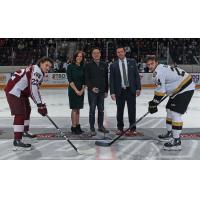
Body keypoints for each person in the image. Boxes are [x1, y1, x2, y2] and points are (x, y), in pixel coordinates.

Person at [146, 55, 195, 151]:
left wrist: (154, 103)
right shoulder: (161, 68)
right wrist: (154, 102)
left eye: (152, 64)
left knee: (175, 113)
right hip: (177, 90)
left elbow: (160, 91)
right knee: (169, 109)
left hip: (185, 89)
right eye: (148, 64)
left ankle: (177, 141)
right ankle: (170, 133)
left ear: (156, 62)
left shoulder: (158, 72)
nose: (150, 66)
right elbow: (161, 89)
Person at [4, 57, 53, 151]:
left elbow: (33, 89)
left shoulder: (38, 70)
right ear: (41, 63)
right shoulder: (37, 72)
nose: (48, 68)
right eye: (46, 65)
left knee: (27, 109)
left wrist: (40, 104)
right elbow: (33, 90)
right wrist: (40, 105)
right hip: (14, 90)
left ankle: (24, 131)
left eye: (49, 67)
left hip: (21, 91)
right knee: (20, 114)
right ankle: (17, 141)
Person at [110, 46, 141, 136]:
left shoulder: (132, 62)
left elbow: (136, 76)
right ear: (117, 54)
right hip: (120, 91)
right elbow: (111, 80)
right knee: (119, 111)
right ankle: (120, 128)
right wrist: (112, 92)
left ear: (124, 52)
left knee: (132, 111)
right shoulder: (113, 65)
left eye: (121, 52)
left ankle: (133, 128)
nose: (120, 53)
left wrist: (138, 88)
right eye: (118, 52)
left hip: (131, 90)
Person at [85, 48, 109, 136]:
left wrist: (106, 90)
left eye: (98, 53)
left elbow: (106, 78)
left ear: (100, 54)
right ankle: (92, 127)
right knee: (92, 110)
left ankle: (100, 126)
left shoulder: (104, 64)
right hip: (92, 92)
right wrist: (91, 88)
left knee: (101, 110)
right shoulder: (88, 65)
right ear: (92, 55)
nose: (96, 54)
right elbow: (86, 79)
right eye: (94, 53)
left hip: (102, 91)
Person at [67, 51, 85, 134]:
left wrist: (82, 90)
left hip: (81, 90)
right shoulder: (70, 67)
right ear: (75, 57)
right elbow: (70, 81)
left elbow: (85, 80)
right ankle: (73, 127)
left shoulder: (83, 67)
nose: (79, 58)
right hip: (73, 90)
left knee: (78, 109)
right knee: (74, 109)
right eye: (78, 56)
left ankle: (78, 125)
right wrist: (76, 90)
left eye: (81, 56)